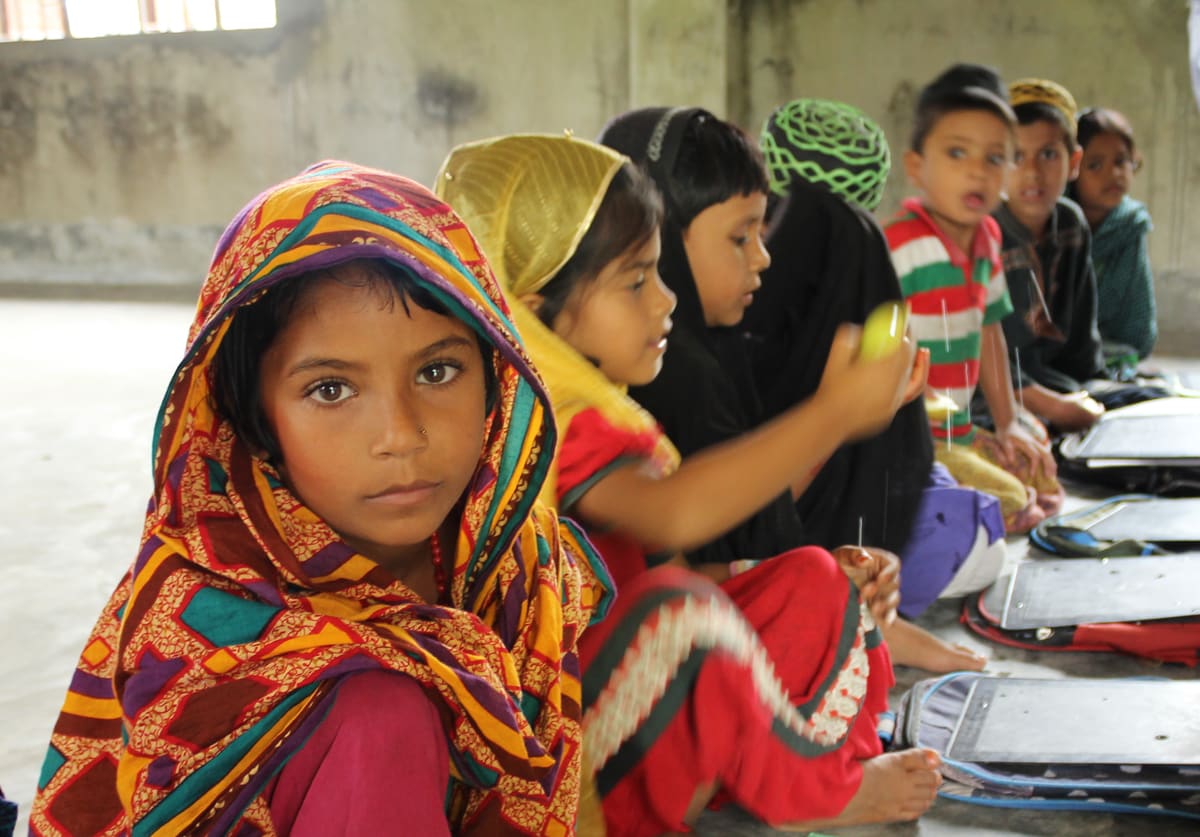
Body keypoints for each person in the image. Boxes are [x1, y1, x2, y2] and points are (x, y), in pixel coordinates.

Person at [29, 162, 612, 836]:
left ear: (496, 376)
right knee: (380, 712)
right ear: (252, 419)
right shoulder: (198, 612)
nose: (400, 435)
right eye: (331, 389)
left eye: (437, 370)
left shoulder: (520, 566)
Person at [438, 133, 942, 835]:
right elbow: (671, 518)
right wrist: (833, 414)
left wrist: (779, 571)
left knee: (808, 577)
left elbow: (664, 564)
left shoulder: (606, 401)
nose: (665, 299)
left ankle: (783, 773)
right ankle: (821, 790)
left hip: (632, 699)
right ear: (536, 305)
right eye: (636, 280)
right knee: (686, 612)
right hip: (560, 759)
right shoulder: (540, 420)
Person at [598, 105, 988, 670]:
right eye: (740, 237)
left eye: (765, 229)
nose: (764, 257)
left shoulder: (707, 353)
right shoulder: (663, 374)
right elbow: (677, 523)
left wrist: (816, 578)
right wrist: (835, 413)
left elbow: (713, 540)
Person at [753, 97, 1006, 619]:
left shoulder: (753, 266)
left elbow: (899, 391)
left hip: (820, 515)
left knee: (973, 516)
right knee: (973, 526)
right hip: (824, 528)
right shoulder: (874, 254)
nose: (755, 254)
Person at [885, 63, 1062, 535]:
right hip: (908, 440)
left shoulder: (987, 238)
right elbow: (877, 347)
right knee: (1011, 500)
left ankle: (961, 490)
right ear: (917, 167)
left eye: (994, 157)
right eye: (957, 153)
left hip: (956, 430)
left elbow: (989, 331)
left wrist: (1007, 424)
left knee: (1038, 465)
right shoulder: (901, 246)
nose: (976, 172)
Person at [991, 78, 1107, 432]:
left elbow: (1081, 339)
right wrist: (1053, 406)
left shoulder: (1071, 224)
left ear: (1073, 162)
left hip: (1055, 379)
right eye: (1015, 157)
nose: (1032, 173)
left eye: (1048, 154)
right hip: (992, 390)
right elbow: (972, 353)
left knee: (1147, 402)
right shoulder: (982, 233)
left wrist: (1094, 389)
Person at [1067, 107, 1158, 362]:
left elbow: (1139, 327)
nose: (1113, 174)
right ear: (1074, 168)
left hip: (1109, 347)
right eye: (1095, 165)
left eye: (1121, 161)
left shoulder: (1131, 224)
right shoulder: (1058, 220)